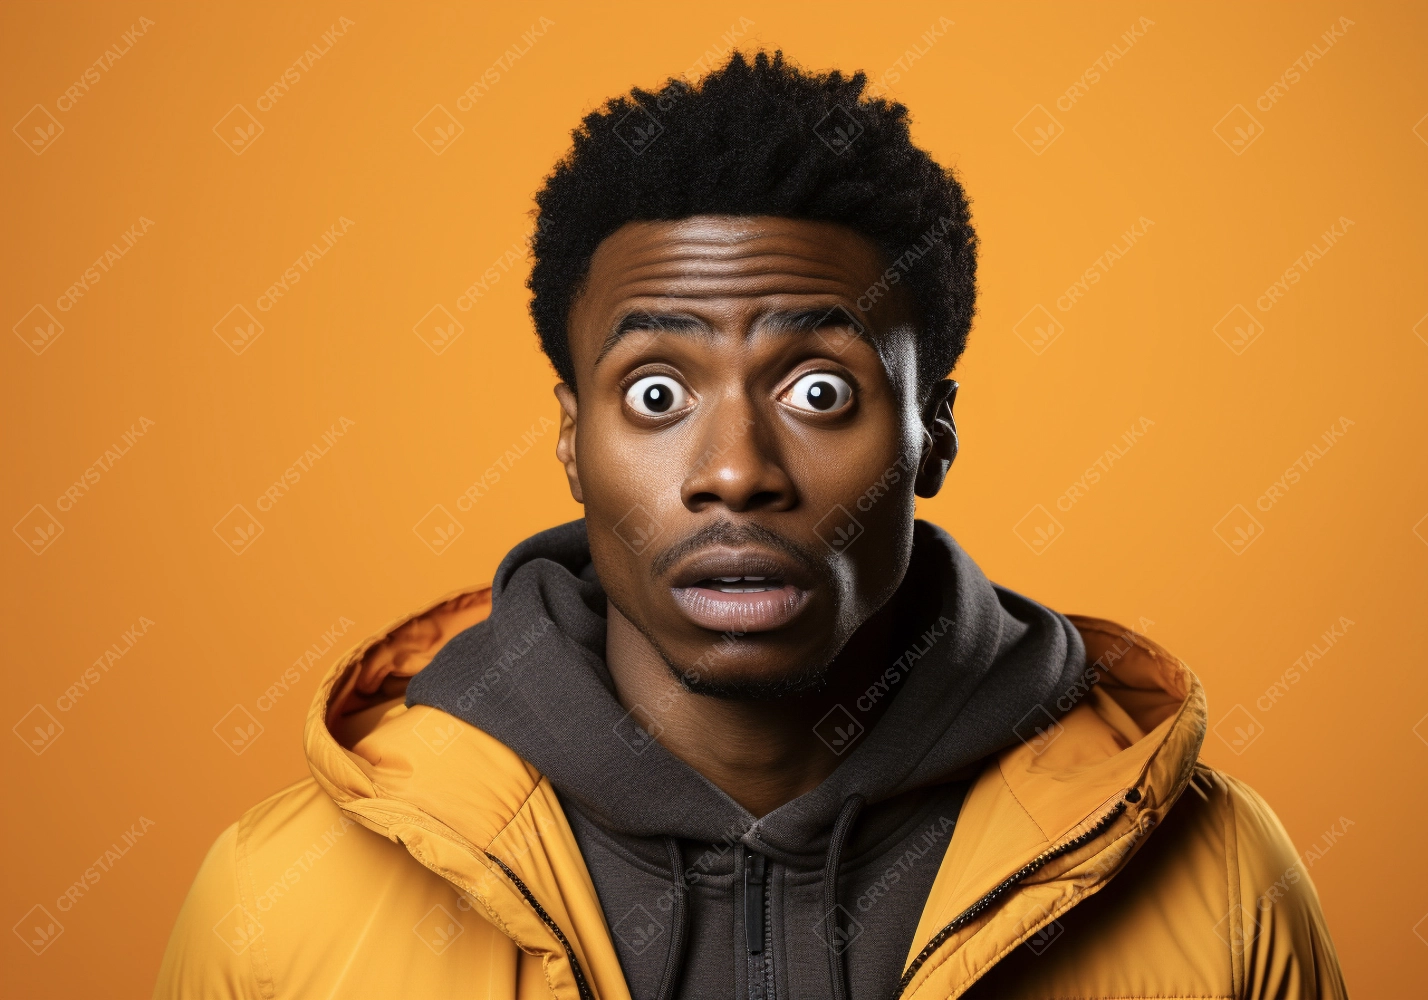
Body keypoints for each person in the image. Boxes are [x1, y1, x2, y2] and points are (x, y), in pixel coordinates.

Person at [155, 51, 1346, 1000]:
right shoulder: (281, 904)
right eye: (658, 395)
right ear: (572, 437)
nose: (734, 471)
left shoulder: (1218, 879)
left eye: (818, 390)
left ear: (932, 430)